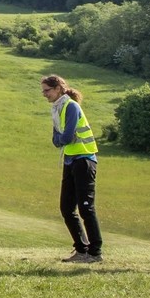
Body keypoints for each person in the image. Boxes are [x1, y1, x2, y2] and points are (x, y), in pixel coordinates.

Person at [41, 75, 102, 264]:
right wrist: (60, 140)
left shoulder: (71, 106)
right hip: (70, 161)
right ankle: (81, 249)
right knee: (67, 208)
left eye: (47, 90)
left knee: (86, 208)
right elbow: (56, 139)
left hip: (84, 159)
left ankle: (95, 252)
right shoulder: (57, 109)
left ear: (58, 88)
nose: (44, 94)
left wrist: (60, 140)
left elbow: (64, 138)